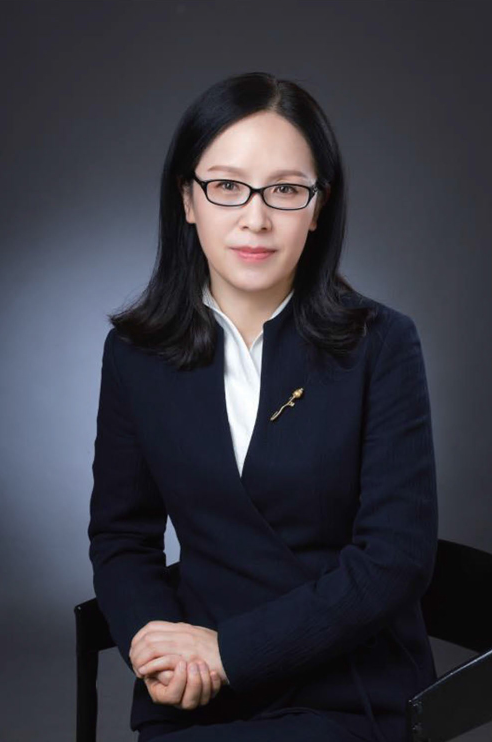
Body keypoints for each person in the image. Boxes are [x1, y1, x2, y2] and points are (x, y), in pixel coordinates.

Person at [87, 71, 439, 742]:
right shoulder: (135, 354)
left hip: (346, 688)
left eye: (285, 190)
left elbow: (396, 558)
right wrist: (154, 643)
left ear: (318, 206)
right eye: (227, 186)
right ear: (187, 199)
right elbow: (122, 539)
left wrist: (231, 652)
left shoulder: (381, 343)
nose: (255, 218)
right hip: (196, 690)